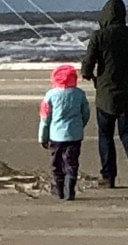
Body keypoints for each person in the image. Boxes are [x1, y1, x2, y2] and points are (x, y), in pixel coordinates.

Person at [80, 0, 128, 187]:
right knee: (127, 131)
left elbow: (88, 64)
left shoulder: (99, 36)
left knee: (105, 135)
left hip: (106, 94)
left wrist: (88, 75)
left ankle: (108, 176)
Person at [37, 63, 91, 201]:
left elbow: (45, 118)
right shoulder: (79, 94)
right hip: (75, 135)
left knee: (56, 163)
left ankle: (60, 189)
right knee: (72, 161)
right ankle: (70, 188)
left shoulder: (50, 95)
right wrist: (80, 126)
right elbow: (86, 113)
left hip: (56, 135)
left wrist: (42, 137)